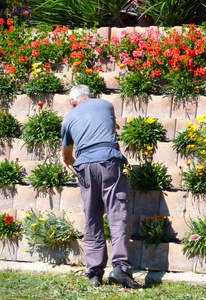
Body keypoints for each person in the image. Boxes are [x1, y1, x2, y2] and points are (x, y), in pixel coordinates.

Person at [61, 84, 140, 288]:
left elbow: (66, 156)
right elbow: (109, 129)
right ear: (91, 96)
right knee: (117, 213)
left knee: (92, 218)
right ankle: (121, 269)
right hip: (110, 162)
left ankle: (94, 273)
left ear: (72, 102)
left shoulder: (68, 118)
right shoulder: (105, 105)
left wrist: (73, 163)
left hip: (85, 166)